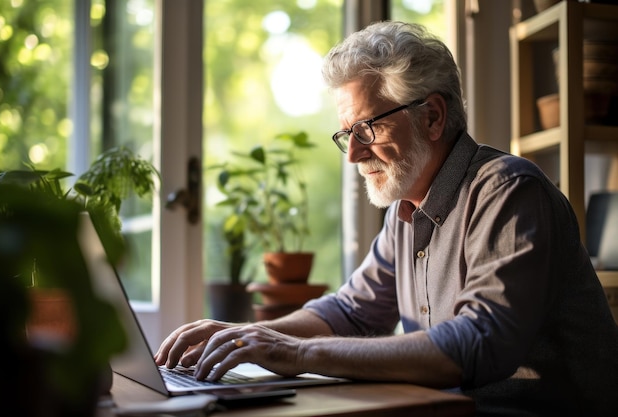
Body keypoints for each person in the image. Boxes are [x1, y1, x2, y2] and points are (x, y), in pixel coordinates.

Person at [155, 21, 618, 416]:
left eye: (367, 129)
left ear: (432, 117)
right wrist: (247, 336)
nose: (353, 153)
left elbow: (479, 342)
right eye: (346, 134)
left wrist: (293, 352)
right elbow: (351, 312)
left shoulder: (509, 191)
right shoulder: (405, 209)